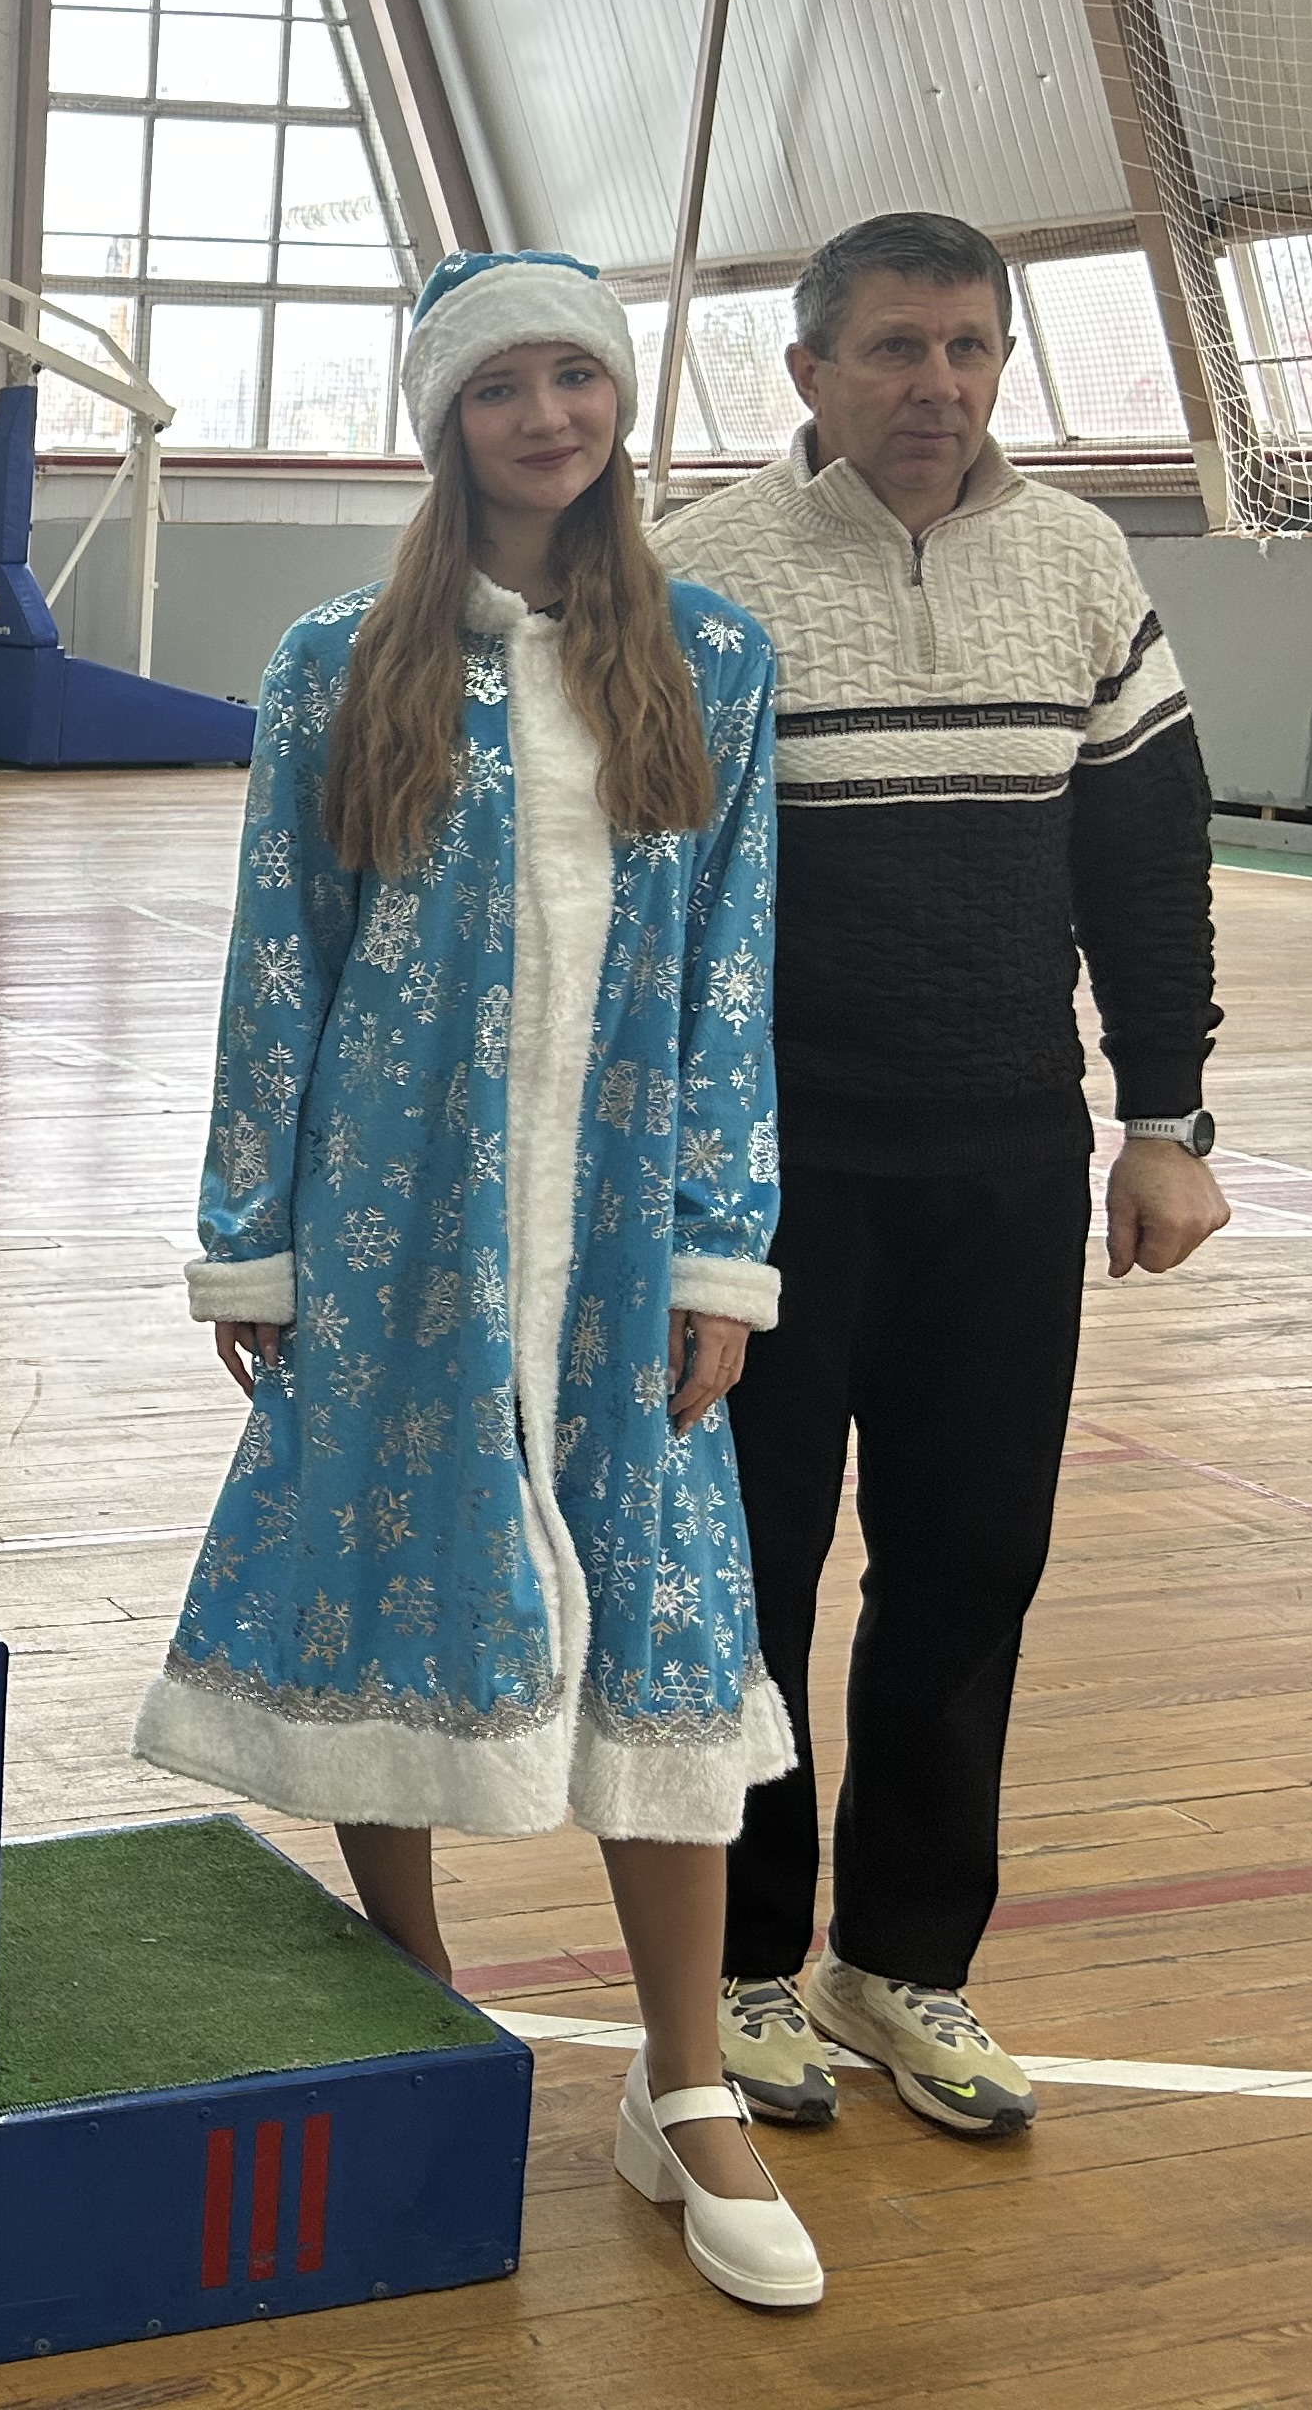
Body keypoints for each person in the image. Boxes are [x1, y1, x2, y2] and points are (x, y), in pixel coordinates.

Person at [141, 252, 821, 2309]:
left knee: (666, 1612)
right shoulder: (341, 663)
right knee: (389, 1572)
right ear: (445, 420)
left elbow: (728, 974)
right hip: (397, 1222)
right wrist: (255, 1237)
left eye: (575, 379)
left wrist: (718, 1245)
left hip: (621, 1236)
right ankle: (418, 2004)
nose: (548, 418)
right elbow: (282, 958)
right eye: (505, 386)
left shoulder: (710, 658)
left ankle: (682, 2083)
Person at [656, 210, 1225, 2140]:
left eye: (971, 347)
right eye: (897, 347)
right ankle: (741, 1964)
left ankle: (900, 1963)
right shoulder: (701, 572)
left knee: (972, 1567)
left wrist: (1166, 1120)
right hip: (772, 1180)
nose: (939, 385)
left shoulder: (1078, 561)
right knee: (749, 1578)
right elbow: (643, 898)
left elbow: (1147, 861)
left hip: (1006, 1162)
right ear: (808, 371)